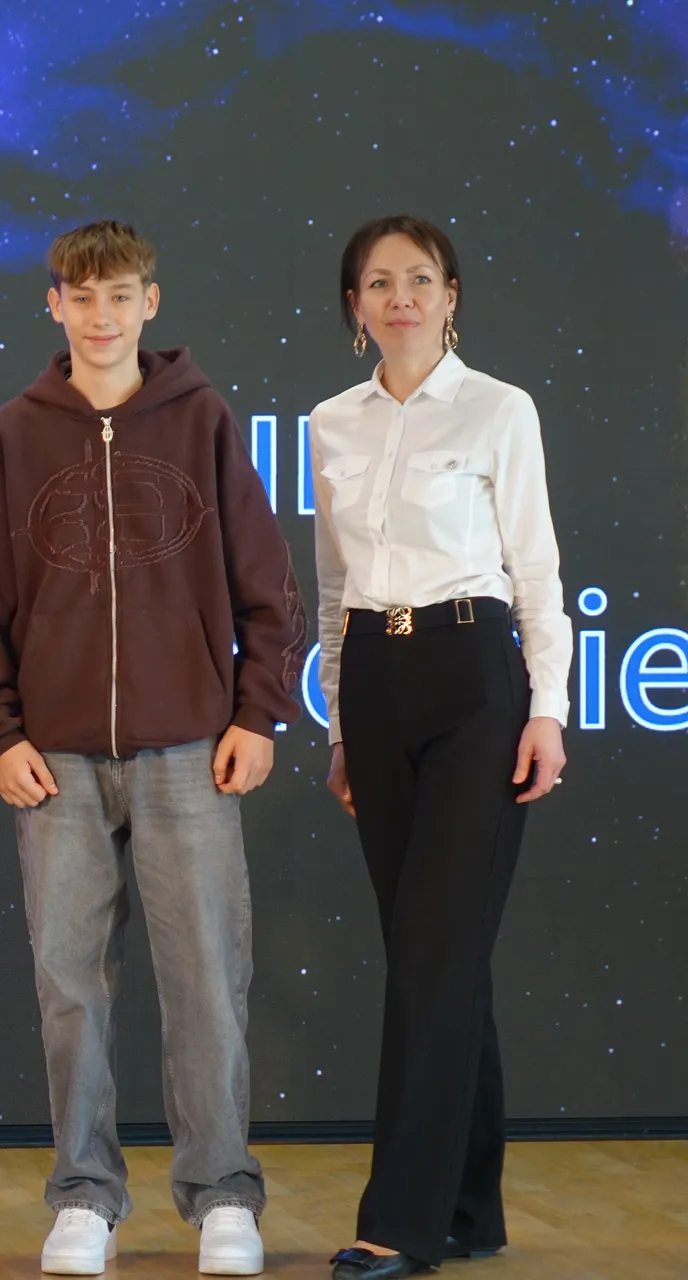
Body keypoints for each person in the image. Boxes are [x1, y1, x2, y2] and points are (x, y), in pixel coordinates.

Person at [0, 220, 306, 1277]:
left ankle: (222, 1192)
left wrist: (256, 714)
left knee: (206, 978)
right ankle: (84, 1196)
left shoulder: (201, 418)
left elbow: (268, 582)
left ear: (150, 303)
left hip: (189, 748)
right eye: (82, 296)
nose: (101, 315)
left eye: (121, 296)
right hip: (54, 760)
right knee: (70, 983)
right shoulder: (17, 431)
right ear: (53, 305)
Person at [313, 216, 569, 1280]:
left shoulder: (500, 408)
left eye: (421, 279)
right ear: (355, 306)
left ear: (452, 295)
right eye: (379, 282)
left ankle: (401, 1222)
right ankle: (468, 1208)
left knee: (432, 957)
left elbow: (536, 568)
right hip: (376, 683)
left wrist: (547, 707)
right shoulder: (331, 421)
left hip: (475, 681)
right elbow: (332, 586)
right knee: (437, 958)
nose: (401, 298)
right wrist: (339, 722)